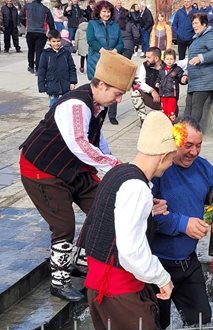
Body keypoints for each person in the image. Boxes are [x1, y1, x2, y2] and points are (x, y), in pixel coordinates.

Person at [78, 111, 182, 330]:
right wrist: (162, 277)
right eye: (171, 158)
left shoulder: (119, 173)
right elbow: (131, 253)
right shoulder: (137, 188)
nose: (171, 164)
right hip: (118, 289)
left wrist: (148, 207)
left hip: (100, 286)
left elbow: (112, 220)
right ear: (162, 156)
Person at [19, 49, 136, 302]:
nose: (118, 100)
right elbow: (80, 144)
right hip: (42, 170)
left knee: (105, 208)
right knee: (63, 225)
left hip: (73, 169)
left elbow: (97, 139)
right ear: (102, 84)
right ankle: (59, 281)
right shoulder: (75, 104)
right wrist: (114, 165)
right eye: (117, 94)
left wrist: (111, 169)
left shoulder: (98, 103)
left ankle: (81, 259)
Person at [149, 116, 213, 329]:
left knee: (202, 323)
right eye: (188, 146)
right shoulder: (158, 171)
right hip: (156, 263)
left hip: (188, 262)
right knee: (158, 327)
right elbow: (148, 215)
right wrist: (183, 224)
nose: (194, 152)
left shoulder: (202, 166)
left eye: (198, 146)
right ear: (174, 141)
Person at [87, 0, 124, 125]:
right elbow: (90, 40)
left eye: (108, 12)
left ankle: (112, 115)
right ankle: (94, 115)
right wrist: (102, 50)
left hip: (111, 60)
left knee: (112, 88)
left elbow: (120, 42)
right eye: (104, 11)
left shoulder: (115, 25)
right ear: (99, 12)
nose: (106, 14)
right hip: (96, 60)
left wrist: (115, 50)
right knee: (97, 89)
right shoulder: (92, 24)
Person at [184, 13, 213, 124]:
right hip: (194, 80)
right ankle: (183, 132)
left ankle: (192, 133)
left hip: (206, 79)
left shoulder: (211, 35)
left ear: (204, 24)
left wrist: (201, 58)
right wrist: (186, 73)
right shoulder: (197, 38)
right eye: (193, 23)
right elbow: (191, 58)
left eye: (196, 23)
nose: (194, 26)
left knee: (196, 106)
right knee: (188, 106)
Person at [38, 29, 77, 107]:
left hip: (65, 85)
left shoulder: (66, 53)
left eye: (58, 41)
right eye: (54, 41)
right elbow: (42, 70)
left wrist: (72, 82)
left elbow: (72, 68)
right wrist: (42, 86)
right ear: (49, 41)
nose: (56, 43)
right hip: (52, 86)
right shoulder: (45, 54)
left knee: (66, 107)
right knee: (53, 107)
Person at [131, 46, 163, 123]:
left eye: (149, 57)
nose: (146, 59)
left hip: (164, 99)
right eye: (146, 57)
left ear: (156, 58)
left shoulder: (166, 67)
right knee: (135, 89)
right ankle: (143, 119)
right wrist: (151, 90)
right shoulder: (144, 66)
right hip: (150, 96)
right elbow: (139, 82)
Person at [20, 0, 54, 73]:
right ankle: (38, 68)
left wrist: (26, 24)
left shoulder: (26, 7)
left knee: (31, 49)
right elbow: (51, 21)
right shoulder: (45, 9)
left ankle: (31, 66)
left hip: (30, 31)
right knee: (39, 51)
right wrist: (52, 32)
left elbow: (21, 17)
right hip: (41, 32)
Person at [156, 48, 187, 121]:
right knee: (164, 111)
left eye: (171, 59)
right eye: (167, 59)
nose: (169, 61)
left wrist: (183, 79)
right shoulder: (161, 70)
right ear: (164, 60)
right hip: (163, 94)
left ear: (175, 59)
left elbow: (181, 77)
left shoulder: (177, 69)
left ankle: (172, 126)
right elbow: (158, 78)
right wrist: (157, 83)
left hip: (172, 94)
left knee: (171, 111)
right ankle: (165, 126)